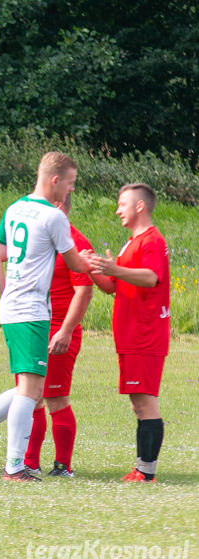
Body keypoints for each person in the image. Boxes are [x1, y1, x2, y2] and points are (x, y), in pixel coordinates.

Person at [0, 152, 91, 481]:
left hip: (14, 308)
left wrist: (5, 291)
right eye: (70, 183)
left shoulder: (15, 208)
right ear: (55, 180)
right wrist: (100, 265)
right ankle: (13, 466)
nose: (70, 190)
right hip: (32, 310)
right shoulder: (54, 218)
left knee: (30, 388)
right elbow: (77, 265)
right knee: (31, 390)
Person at [83, 183, 169, 483]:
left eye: (122, 204)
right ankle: (141, 468)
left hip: (145, 334)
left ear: (140, 206)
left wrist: (114, 269)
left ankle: (146, 472)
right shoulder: (130, 243)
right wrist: (93, 268)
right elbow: (113, 287)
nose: (118, 209)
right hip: (131, 335)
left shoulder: (152, 241)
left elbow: (150, 277)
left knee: (145, 401)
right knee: (137, 401)